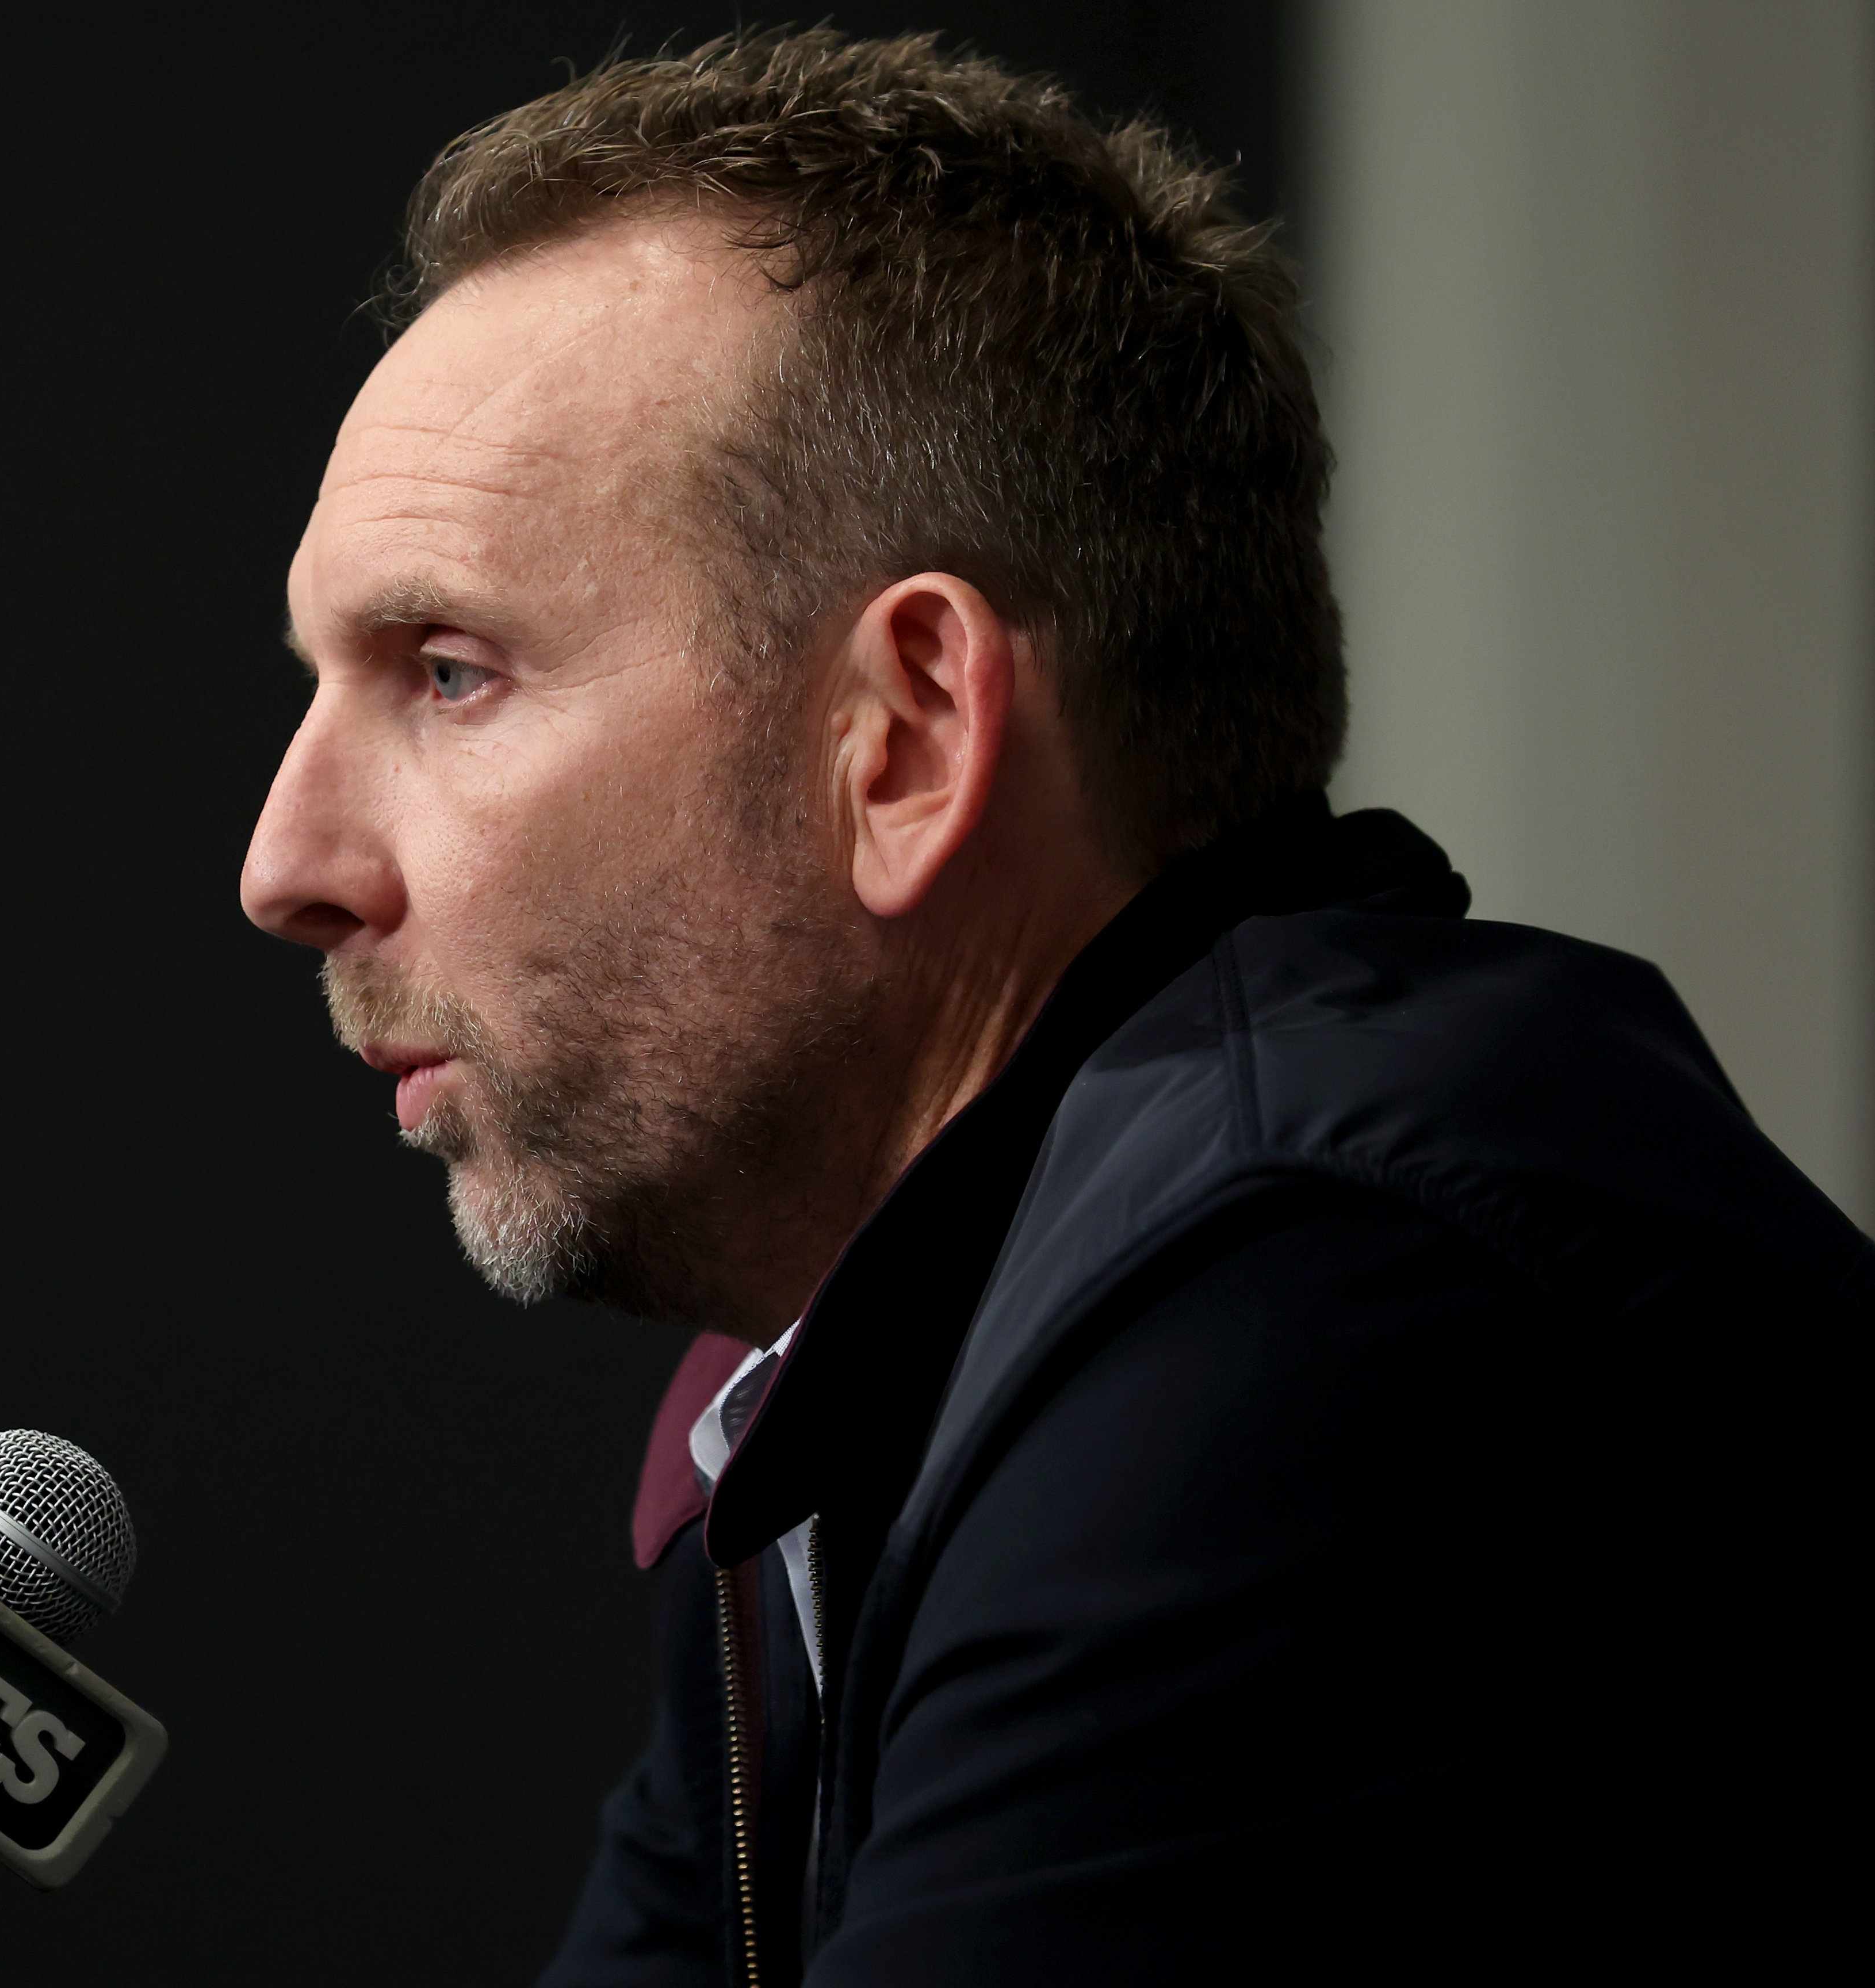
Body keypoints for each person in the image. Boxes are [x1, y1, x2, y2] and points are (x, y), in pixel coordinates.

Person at [239, 28, 1866, 1986]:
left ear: (906, 733)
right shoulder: (845, 1371)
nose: (285, 865)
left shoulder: (1312, 1309)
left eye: (447, 672)